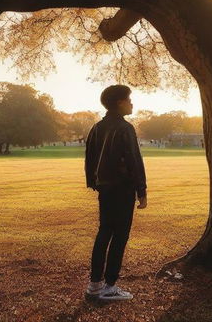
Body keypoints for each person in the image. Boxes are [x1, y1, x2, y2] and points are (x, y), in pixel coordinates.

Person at [84, 84, 147, 302]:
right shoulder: (124, 128)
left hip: (105, 189)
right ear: (120, 102)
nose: (132, 103)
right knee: (120, 237)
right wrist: (142, 190)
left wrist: (94, 182)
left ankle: (94, 285)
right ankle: (109, 286)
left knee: (104, 234)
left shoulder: (97, 127)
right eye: (129, 99)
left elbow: (89, 158)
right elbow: (134, 161)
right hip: (122, 189)